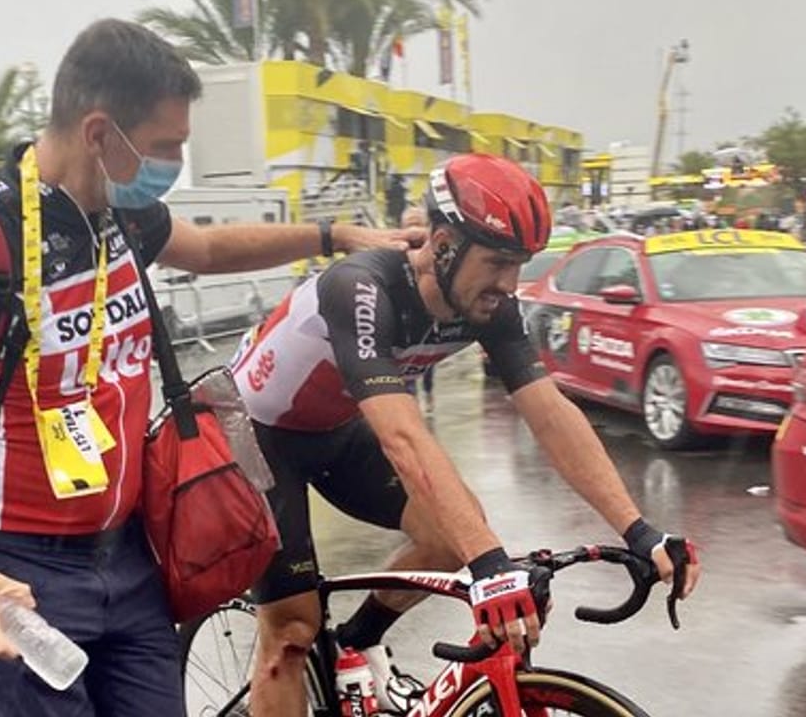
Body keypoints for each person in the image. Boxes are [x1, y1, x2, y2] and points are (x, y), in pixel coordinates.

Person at [0, 19, 418, 717]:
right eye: (166, 148)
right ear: (99, 134)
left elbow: (211, 249)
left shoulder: (119, 219)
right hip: (16, 568)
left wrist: (335, 235)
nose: (173, 167)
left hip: (129, 554)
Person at [230, 153, 702, 716]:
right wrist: (491, 567)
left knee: (456, 531)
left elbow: (549, 411)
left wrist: (640, 530)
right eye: (498, 261)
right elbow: (403, 436)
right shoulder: (361, 288)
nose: (509, 283)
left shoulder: (488, 305)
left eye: (519, 264)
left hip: (334, 427)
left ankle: (355, 641)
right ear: (444, 243)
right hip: (257, 438)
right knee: (291, 631)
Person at [400, 205, 436, 412]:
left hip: (428, 318)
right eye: (409, 225)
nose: (413, 231)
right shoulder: (394, 252)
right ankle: (411, 405)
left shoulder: (437, 252)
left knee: (427, 365)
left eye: (418, 225)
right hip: (403, 321)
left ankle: (429, 393)